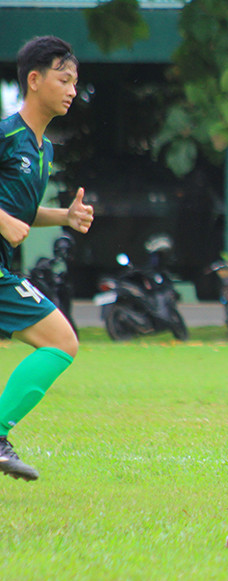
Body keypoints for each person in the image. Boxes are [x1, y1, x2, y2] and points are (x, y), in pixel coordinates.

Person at [0, 36, 93, 481]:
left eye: (75, 81)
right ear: (34, 80)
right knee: (61, 340)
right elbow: (7, 216)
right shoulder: (6, 134)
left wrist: (64, 217)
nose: (72, 90)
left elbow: (19, 210)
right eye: (64, 79)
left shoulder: (43, 149)